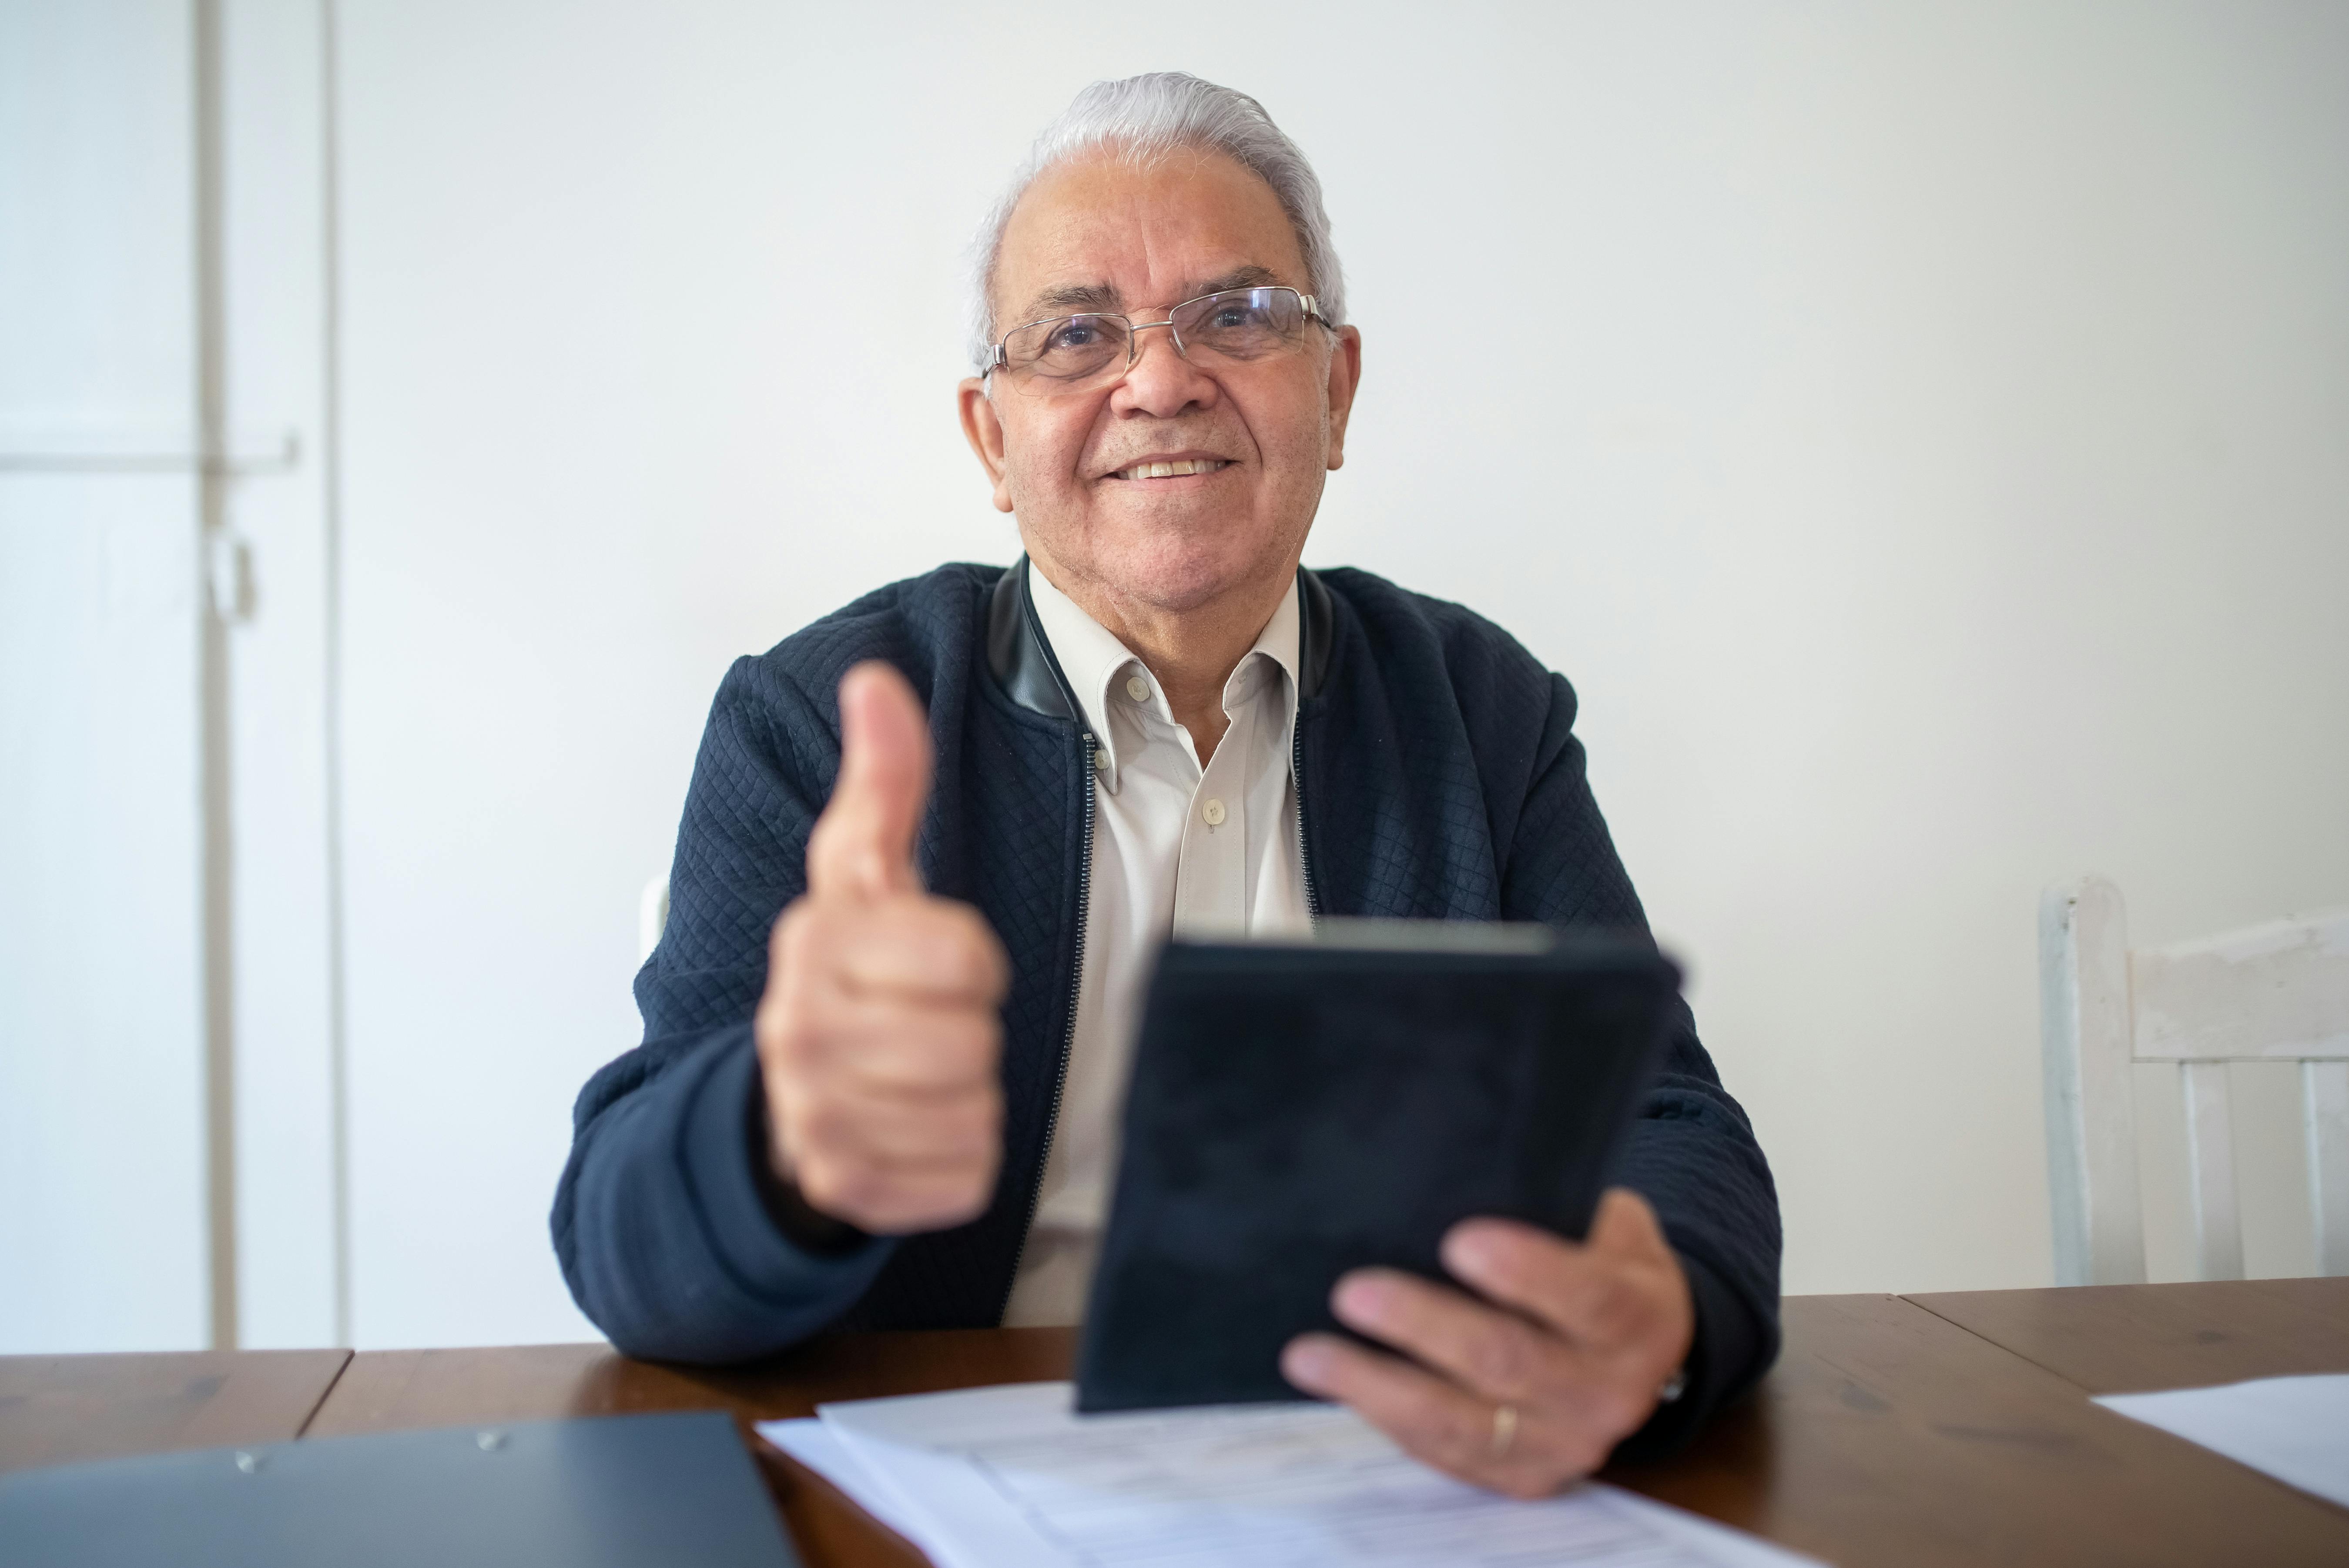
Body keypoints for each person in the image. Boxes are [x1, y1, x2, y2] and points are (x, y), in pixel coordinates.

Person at [553, 72, 1780, 1497]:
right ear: (991, 440)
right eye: (1077, 335)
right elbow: (621, 1231)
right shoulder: (820, 721)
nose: (1158, 379)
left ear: (1337, 388)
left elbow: (1678, 1134)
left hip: (1400, 1485)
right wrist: (777, 1138)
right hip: (934, 1502)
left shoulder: (1481, 708)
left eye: (1237, 315)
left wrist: (1661, 1309)